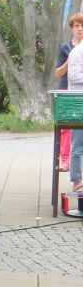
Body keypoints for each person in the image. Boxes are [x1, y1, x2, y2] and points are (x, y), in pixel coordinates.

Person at [53, 12, 83, 171]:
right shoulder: (66, 48)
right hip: (67, 91)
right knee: (66, 127)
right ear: (72, 28)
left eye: (82, 26)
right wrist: (69, 61)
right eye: (76, 26)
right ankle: (65, 160)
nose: (80, 29)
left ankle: (77, 160)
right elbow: (57, 73)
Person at [66, 32, 83, 193]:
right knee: (78, 143)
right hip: (79, 103)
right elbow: (74, 76)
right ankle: (77, 180)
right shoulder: (78, 52)